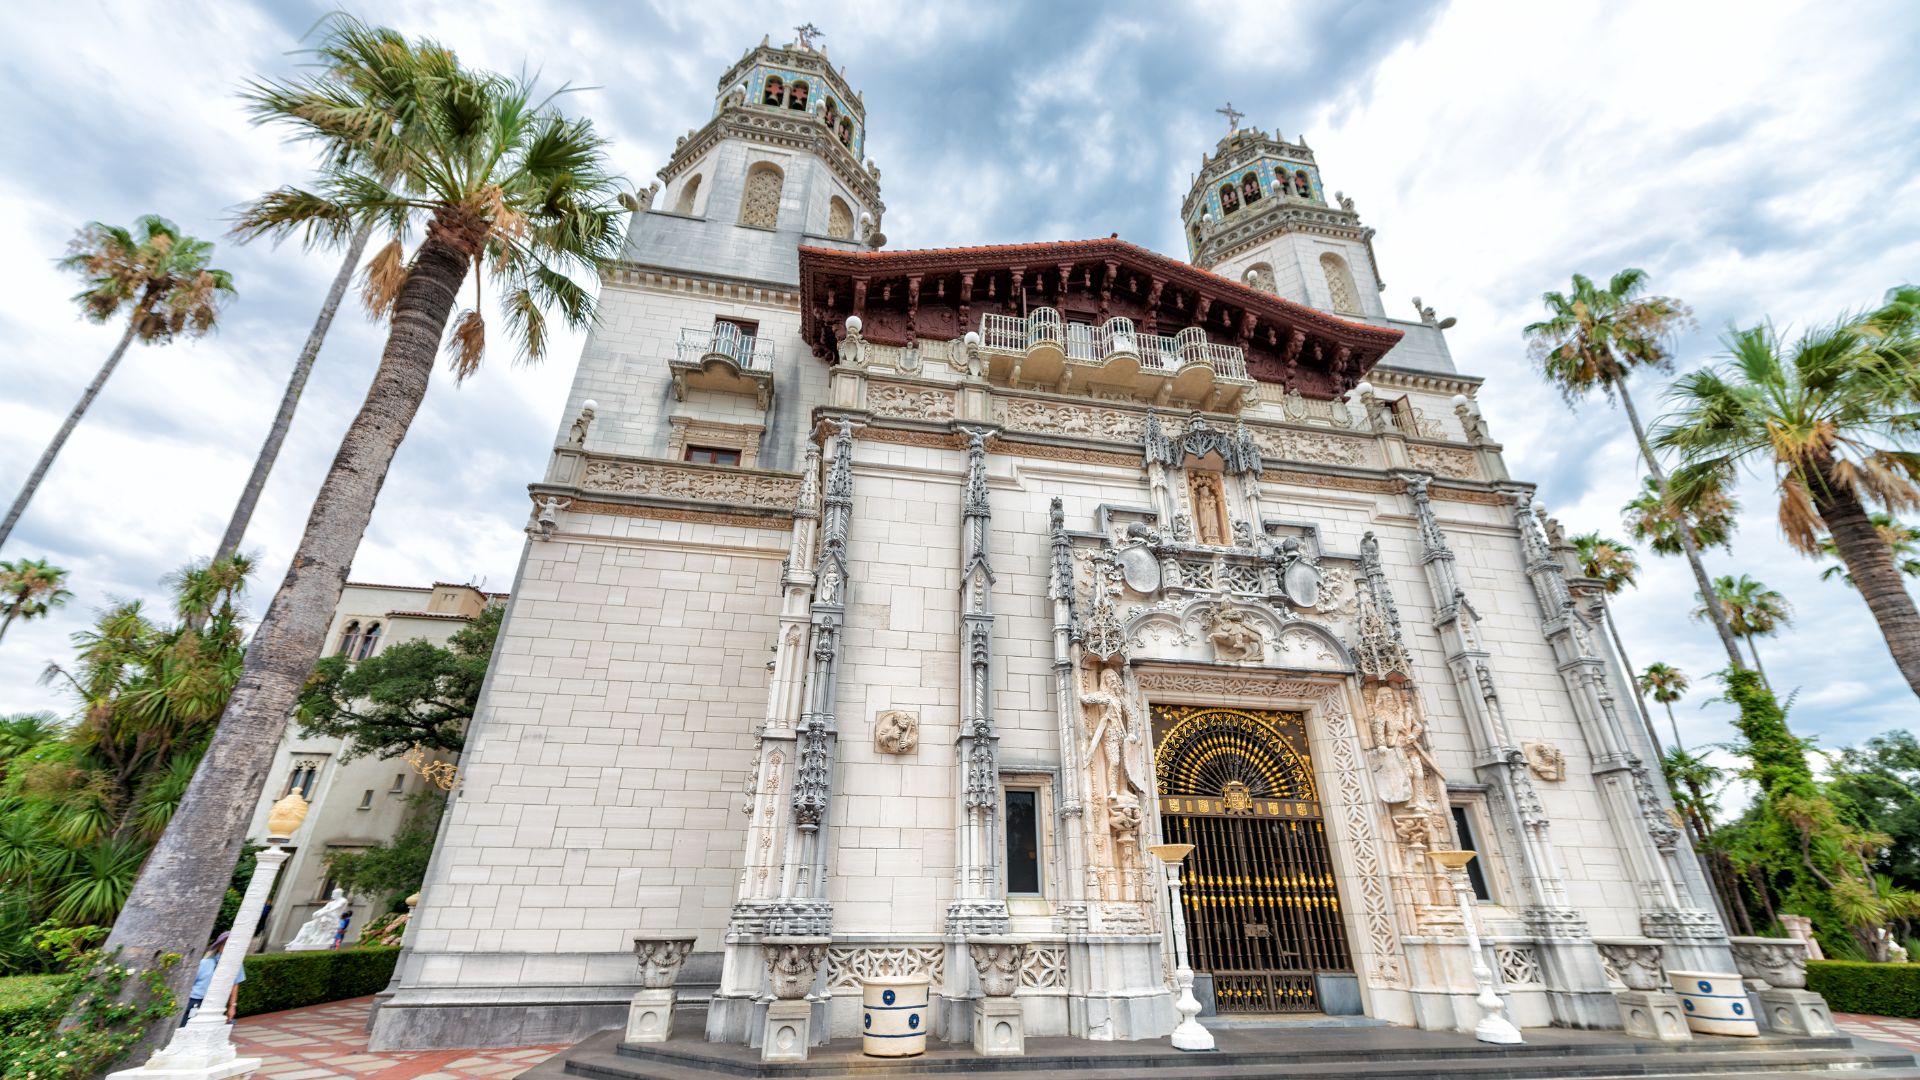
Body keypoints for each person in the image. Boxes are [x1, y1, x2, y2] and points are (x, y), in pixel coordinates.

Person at [183, 931, 245, 1025]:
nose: (229, 949)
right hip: (196, 1001)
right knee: (187, 1026)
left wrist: (232, 1006)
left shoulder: (237, 965)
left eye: (232, 946)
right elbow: (189, 984)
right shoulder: (205, 962)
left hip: (217, 1002)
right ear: (219, 946)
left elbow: (235, 984)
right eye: (225, 945)